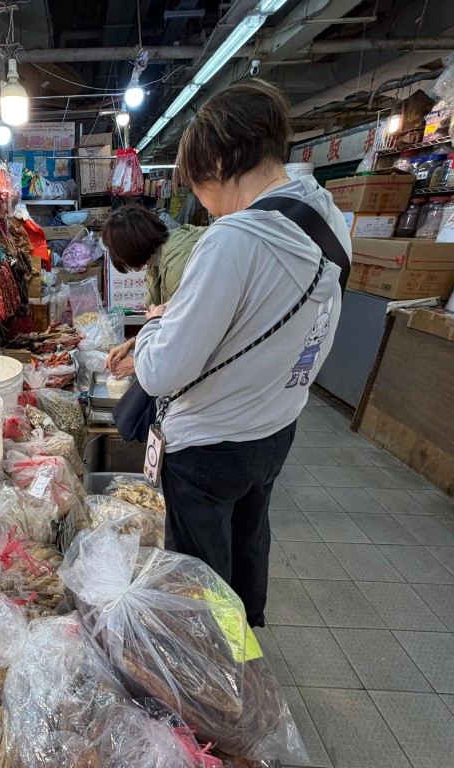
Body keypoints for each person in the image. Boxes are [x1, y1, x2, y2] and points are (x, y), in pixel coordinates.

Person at [132, 79, 348, 627]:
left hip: (209, 445)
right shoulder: (328, 218)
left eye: (200, 185)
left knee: (200, 578)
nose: (203, 203)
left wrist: (153, 326)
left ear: (221, 161)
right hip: (276, 428)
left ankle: (216, 682)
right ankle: (248, 642)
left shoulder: (233, 238)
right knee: (249, 544)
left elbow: (161, 371)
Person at [100, 205, 205, 378]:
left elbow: (185, 328)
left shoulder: (178, 258)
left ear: (132, 247)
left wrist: (139, 363)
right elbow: (163, 317)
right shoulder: (154, 260)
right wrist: (134, 343)